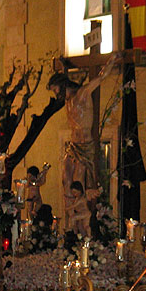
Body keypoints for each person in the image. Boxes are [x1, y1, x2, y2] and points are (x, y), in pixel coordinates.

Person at [48, 53, 120, 232]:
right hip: (72, 145)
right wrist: (64, 68)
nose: (56, 95)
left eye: (57, 90)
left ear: (64, 86)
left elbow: (100, 77)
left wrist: (111, 61)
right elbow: (65, 76)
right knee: (66, 178)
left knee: (78, 184)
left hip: (85, 145)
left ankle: (82, 225)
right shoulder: (68, 100)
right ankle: (70, 220)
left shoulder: (82, 94)